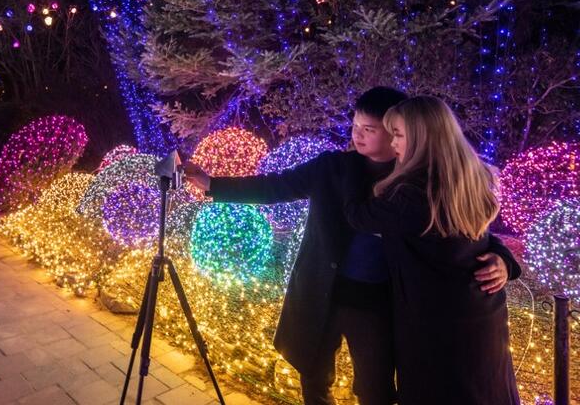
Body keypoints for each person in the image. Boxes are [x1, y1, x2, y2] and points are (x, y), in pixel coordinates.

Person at [183, 87, 518, 405]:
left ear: (396, 132)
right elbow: (276, 187)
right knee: (314, 375)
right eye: (355, 125)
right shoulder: (334, 166)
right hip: (321, 291)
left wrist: (502, 258)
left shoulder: (419, 182)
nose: (357, 134)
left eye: (370, 129)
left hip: (381, 303)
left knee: (374, 388)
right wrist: (213, 185)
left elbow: (466, 230)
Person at [342, 96, 521, 404]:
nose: (394, 142)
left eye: (398, 134)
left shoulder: (410, 194)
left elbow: (357, 215)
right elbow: (477, 236)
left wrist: (347, 166)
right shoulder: (471, 178)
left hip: (436, 326)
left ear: (422, 138)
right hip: (481, 316)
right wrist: (505, 258)